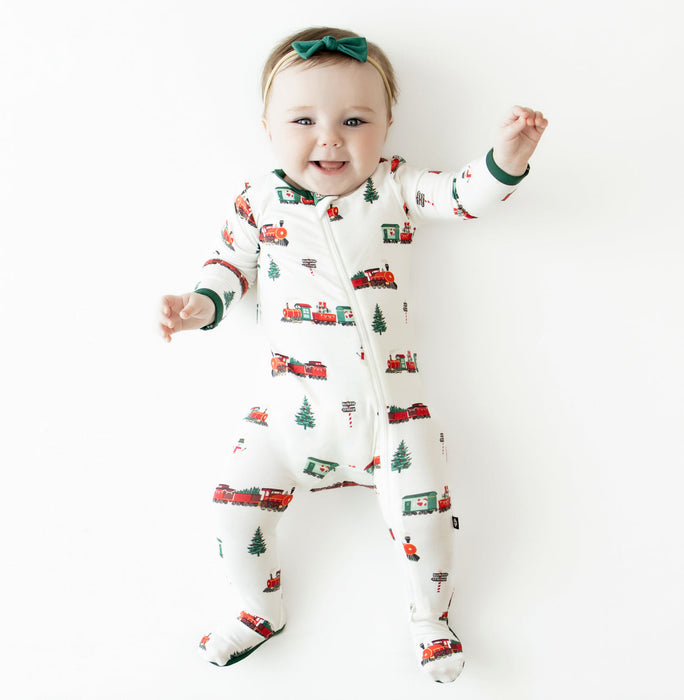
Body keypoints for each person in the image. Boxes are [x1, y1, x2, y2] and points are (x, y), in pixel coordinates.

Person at [159, 26, 547, 683]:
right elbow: (228, 266)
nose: (330, 138)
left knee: (429, 521)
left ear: (388, 126)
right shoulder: (259, 201)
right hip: (287, 417)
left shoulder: (394, 186)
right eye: (303, 120)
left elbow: (461, 195)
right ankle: (258, 607)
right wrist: (198, 305)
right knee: (231, 507)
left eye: (355, 120)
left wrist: (506, 156)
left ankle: (430, 617)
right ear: (267, 128)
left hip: (393, 416)